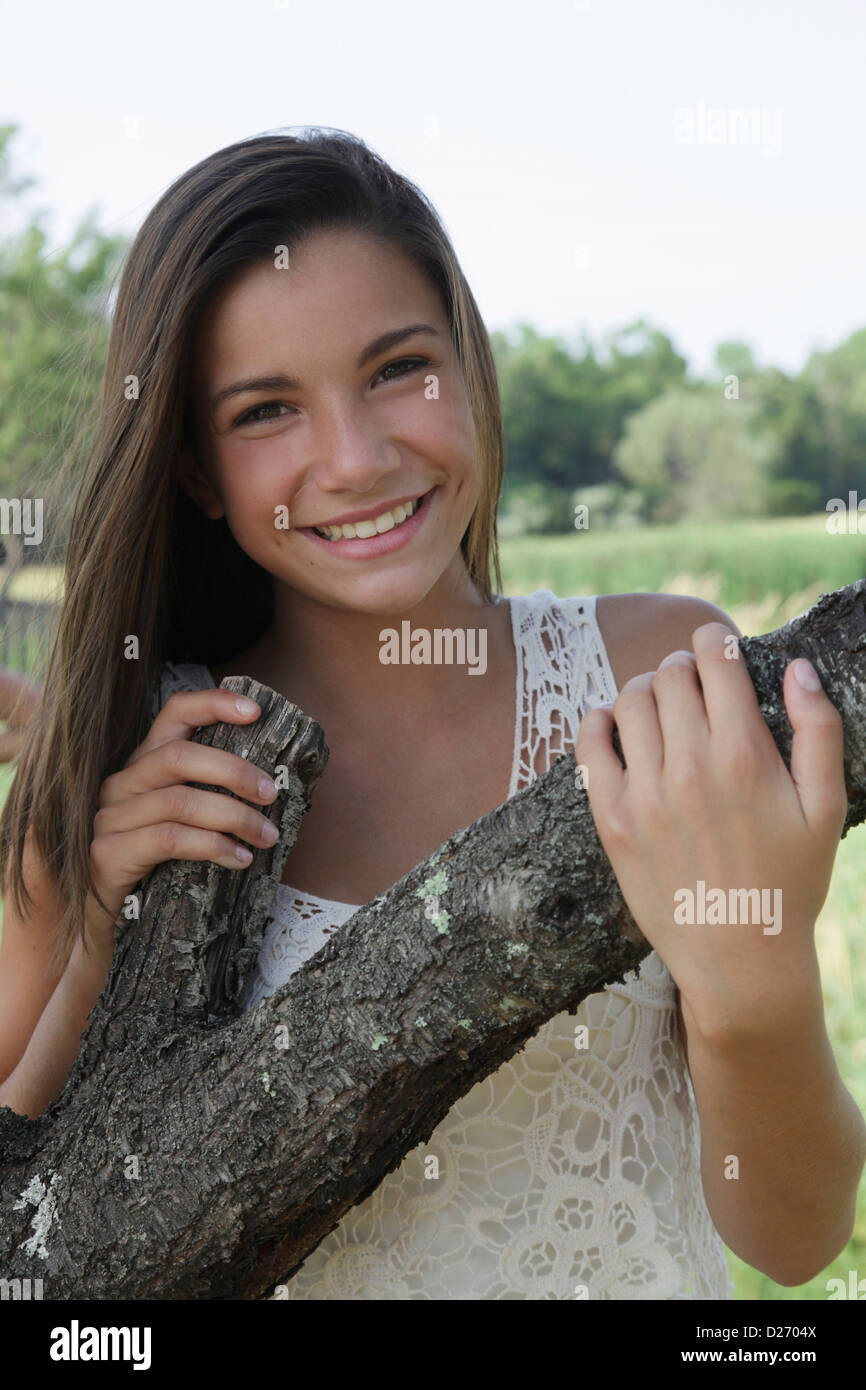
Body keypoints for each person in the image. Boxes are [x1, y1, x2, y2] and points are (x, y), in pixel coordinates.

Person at [0, 128, 862, 1300]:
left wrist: (751, 984)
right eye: (264, 411)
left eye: (398, 367)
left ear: (469, 365)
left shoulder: (660, 673)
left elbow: (794, 1237)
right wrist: (86, 920)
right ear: (194, 467)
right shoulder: (144, 776)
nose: (353, 459)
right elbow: (50, 1252)